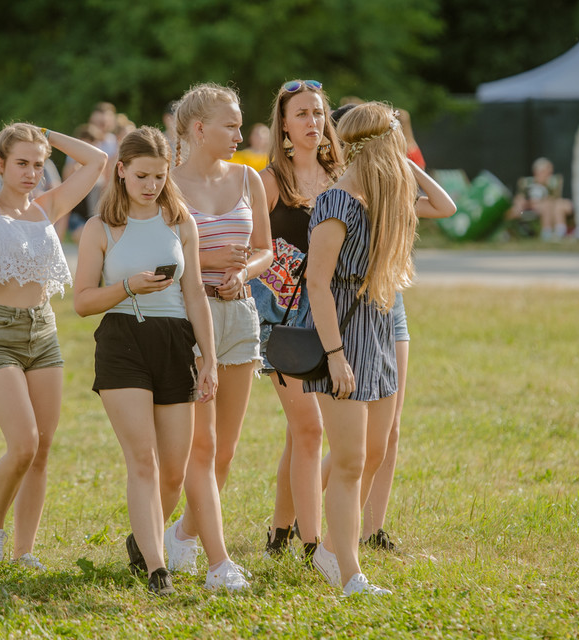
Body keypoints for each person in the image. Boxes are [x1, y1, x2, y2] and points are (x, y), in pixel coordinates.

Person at [304, 102, 454, 596]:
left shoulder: (386, 197)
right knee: (347, 461)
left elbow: (445, 206)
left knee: (373, 449)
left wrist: (399, 160)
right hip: (342, 339)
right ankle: (350, 573)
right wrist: (335, 356)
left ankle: (331, 548)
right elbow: (318, 284)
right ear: (377, 147)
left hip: (380, 331)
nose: (404, 152)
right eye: (396, 142)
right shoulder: (335, 203)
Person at [0, 123, 106, 569]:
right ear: (1, 164)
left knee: (42, 447)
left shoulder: (47, 208)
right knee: (23, 442)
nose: (31, 172)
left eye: (38, 165)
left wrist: (47, 136)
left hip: (43, 331)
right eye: (21, 163)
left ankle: (25, 552)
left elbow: (97, 162)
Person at [73, 126, 218, 595]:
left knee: (173, 471)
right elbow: (82, 301)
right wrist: (128, 287)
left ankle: (143, 538)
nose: (150, 184)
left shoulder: (180, 222)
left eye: (158, 175)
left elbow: (194, 293)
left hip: (176, 342)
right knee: (143, 460)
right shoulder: (100, 228)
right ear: (121, 171)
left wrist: (210, 359)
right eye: (141, 175)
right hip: (121, 341)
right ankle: (158, 570)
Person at [166, 82, 273, 589]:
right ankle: (219, 563)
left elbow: (266, 250)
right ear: (198, 127)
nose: (238, 132)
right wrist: (207, 261)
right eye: (229, 125)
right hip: (191, 319)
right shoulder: (166, 184)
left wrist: (245, 272)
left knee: (225, 451)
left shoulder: (249, 180)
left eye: (239, 123)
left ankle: (184, 535)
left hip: (241, 315)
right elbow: (156, 255)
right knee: (202, 448)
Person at [257, 79, 342, 562]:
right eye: (303, 114)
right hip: (282, 322)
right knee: (310, 429)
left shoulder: (340, 176)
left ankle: (279, 532)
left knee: (299, 432)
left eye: (318, 113)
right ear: (285, 126)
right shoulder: (271, 182)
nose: (313, 122)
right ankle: (314, 547)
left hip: (329, 318)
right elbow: (250, 254)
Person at [509, 157, 572, 241]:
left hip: (543, 208)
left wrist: (538, 202)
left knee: (547, 205)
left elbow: (554, 200)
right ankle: (507, 234)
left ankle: (548, 233)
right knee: (515, 206)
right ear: (538, 172)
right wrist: (525, 202)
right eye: (547, 172)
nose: (550, 174)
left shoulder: (551, 185)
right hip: (526, 209)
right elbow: (519, 197)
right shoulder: (527, 184)